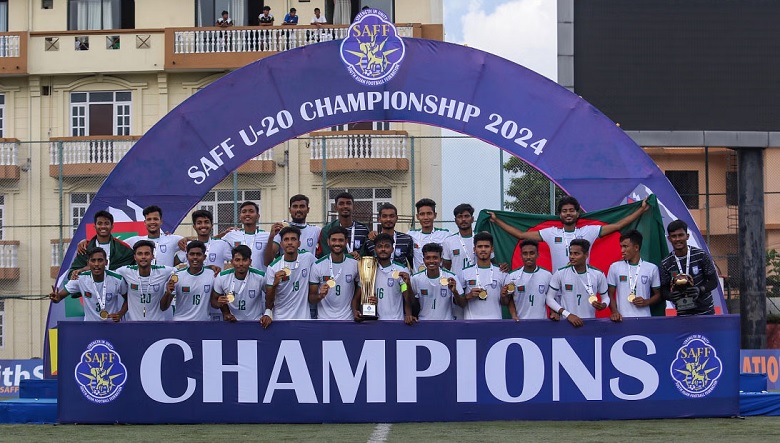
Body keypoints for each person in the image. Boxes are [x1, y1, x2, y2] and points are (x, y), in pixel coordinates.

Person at [488, 196, 649, 272]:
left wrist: (641, 210)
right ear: (560, 215)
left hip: (584, 282)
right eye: (564, 211)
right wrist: (497, 221)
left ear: (577, 213)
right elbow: (522, 235)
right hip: (558, 286)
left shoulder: (589, 231)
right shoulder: (551, 233)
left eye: (571, 210)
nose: (568, 214)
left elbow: (619, 225)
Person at [50, 247, 127, 322]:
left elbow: (128, 299)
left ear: (106, 262)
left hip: (112, 327)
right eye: (93, 261)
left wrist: (120, 313)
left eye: (100, 260)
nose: (96, 264)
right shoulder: (80, 278)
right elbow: (59, 297)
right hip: (90, 327)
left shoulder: (117, 279)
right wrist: (56, 298)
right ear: (88, 263)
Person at [546, 239, 610, 327]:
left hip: (590, 323)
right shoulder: (560, 273)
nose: (572, 256)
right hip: (566, 323)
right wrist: (567, 314)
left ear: (586, 255)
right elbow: (549, 298)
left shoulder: (598, 274)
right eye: (571, 253)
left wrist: (603, 305)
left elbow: (606, 298)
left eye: (576, 254)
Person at [659, 220, 717, 316]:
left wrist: (700, 289)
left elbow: (713, 282)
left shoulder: (701, 255)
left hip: (706, 311)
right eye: (674, 236)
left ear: (687, 236)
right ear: (669, 238)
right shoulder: (666, 263)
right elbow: (663, 290)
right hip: (683, 314)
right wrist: (670, 296)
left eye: (681, 235)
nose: (677, 239)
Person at [262, 227, 316, 327]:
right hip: (281, 320)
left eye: (293, 239)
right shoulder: (273, 267)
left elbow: (323, 266)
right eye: (286, 239)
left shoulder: (308, 258)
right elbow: (268, 301)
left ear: (299, 243)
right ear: (281, 244)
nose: (290, 242)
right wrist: (274, 284)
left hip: (304, 320)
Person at [607, 230, 662, 321]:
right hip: (621, 320)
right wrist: (614, 311)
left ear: (636, 247)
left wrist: (646, 302)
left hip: (645, 319)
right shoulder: (615, 267)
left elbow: (658, 295)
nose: (622, 250)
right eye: (621, 247)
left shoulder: (651, 268)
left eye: (625, 246)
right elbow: (610, 294)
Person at [455, 232, 510, 320]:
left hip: (495, 321)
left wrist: (503, 296)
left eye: (486, 246)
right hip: (471, 322)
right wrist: (468, 296)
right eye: (480, 246)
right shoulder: (464, 272)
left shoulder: (502, 272)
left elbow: (505, 302)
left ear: (492, 249)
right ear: (474, 249)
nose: (483, 249)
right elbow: (458, 303)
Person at [309, 227, 361, 320]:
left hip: (348, 319)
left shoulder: (355, 264)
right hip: (324, 320)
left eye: (341, 240)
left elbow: (361, 286)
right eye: (334, 240)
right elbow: (311, 298)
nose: (337, 243)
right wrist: (320, 295)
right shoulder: (317, 265)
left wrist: (355, 306)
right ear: (328, 241)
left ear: (346, 242)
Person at [117, 240, 176, 321]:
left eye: (147, 254)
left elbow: (178, 273)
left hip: (157, 324)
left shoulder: (164, 271)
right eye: (140, 254)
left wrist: (169, 292)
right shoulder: (125, 271)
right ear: (135, 257)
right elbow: (111, 276)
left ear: (153, 256)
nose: (143, 257)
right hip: (134, 325)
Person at [69, 210, 135, 278]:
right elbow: (71, 273)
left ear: (112, 226)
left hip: (115, 287)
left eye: (106, 223)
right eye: (99, 223)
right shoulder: (85, 248)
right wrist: (84, 270)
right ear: (95, 226)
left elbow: (135, 268)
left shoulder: (122, 248)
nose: (103, 226)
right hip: (90, 287)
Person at [161, 241, 215, 322]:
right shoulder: (177, 276)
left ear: (204, 257)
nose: (195, 257)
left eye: (198, 254)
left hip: (203, 323)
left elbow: (216, 301)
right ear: (187, 256)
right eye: (192, 254)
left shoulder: (212, 274)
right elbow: (163, 307)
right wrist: (167, 293)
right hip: (181, 323)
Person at [263, 194, 322, 266]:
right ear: (289, 210)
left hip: (307, 275)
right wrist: (271, 237)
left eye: (302, 206)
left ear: (308, 210)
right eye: (295, 206)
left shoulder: (316, 230)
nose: (298, 210)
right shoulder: (282, 229)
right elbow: (267, 262)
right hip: (286, 274)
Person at [211, 245, 266, 322]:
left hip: (255, 322)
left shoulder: (260, 276)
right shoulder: (222, 277)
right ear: (232, 261)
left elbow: (271, 296)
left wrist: (268, 313)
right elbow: (214, 300)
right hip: (233, 323)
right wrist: (223, 308)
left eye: (244, 260)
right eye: (237, 260)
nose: (241, 263)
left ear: (250, 262)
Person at [409, 243, 462, 321]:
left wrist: (455, 292)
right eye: (428, 258)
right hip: (424, 323)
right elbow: (410, 301)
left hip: (446, 323)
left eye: (435, 258)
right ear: (423, 260)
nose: (431, 261)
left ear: (441, 259)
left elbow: (462, 304)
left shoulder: (451, 277)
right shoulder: (415, 278)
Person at [369, 233, 413, 322]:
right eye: (380, 246)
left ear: (392, 249)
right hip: (374, 322)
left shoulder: (401, 270)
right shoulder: (368, 269)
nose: (383, 249)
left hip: (396, 321)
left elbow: (406, 297)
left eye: (387, 246)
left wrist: (407, 285)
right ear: (375, 249)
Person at [505, 239, 553, 321]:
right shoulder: (512, 276)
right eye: (525, 254)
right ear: (521, 255)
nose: (528, 257)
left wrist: (553, 313)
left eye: (532, 253)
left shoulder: (547, 275)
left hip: (542, 323)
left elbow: (552, 298)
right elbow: (509, 299)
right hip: (520, 323)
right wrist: (513, 314)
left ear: (537, 255)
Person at [318, 192, 370, 259]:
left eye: (348, 203)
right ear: (335, 207)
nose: (345, 206)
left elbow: (368, 253)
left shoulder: (364, 229)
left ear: (354, 206)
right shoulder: (327, 230)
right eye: (341, 203)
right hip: (335, 268)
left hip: (359, 268)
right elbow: (327, 254)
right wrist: (347, 257)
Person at [365, 203, 415, 269]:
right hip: (377, 277)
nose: (388, 219)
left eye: (391, 216)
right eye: (384, 216)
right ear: (379, 219)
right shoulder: (371, 241)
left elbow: (412, 264)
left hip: (400, 277)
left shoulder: (406, 239)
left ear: (397, 218)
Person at [222, 201, 270, 269]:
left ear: (258, 216)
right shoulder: (231, 234)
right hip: (239, 277)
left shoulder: (267, 236)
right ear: (240, 216)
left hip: (260, 278)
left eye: (251, 211)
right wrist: (222, 234)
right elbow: (212, 244)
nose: (247, 214)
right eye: (244, 212)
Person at [406, 198, 450, 272]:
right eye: (422, 214)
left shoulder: (445, 234)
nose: (426, 217)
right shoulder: (411, 235)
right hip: (418, 279)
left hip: (438, 279)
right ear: (417, 217)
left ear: (435, 215)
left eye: (429, 213)